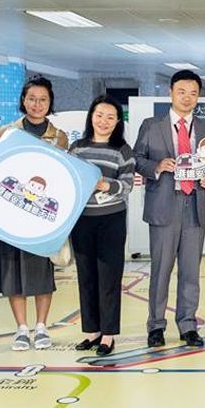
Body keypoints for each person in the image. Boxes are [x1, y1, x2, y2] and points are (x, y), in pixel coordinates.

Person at [133, 70, 205, 348]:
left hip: (194, 204)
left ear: (199, 96)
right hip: (164, 206)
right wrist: (156, 167)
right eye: (182, 91)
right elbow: (137, 159)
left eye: (193, 93)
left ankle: (188, 324)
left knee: (191, 271)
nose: (187, 97)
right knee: (161, 270)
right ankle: (156, 325)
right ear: (170, 92)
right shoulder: (151, 125)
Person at [0, 76, 69, 352]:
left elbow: (62, 177)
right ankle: (22, 328)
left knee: (43, 271)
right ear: (23, 100)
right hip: (11, 214)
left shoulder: (59, 136)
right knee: (14, 271)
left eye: (43, 99)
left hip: (42, 217)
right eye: (32, 98)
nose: (37, 104)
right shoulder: (7, 132)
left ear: (50, 103)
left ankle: (42, 326)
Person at [68, 95, 135, 356]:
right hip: (82, 220)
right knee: (86, 277)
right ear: (91, 117)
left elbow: (127, 185)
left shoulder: (123, 150)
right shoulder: (77, 147)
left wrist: (104, 184)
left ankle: (108, 335)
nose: (104, 121)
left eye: (110, 117)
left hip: (111, 220)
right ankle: (92, 332)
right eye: (99, 115)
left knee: (109, 279)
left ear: (118, 121)